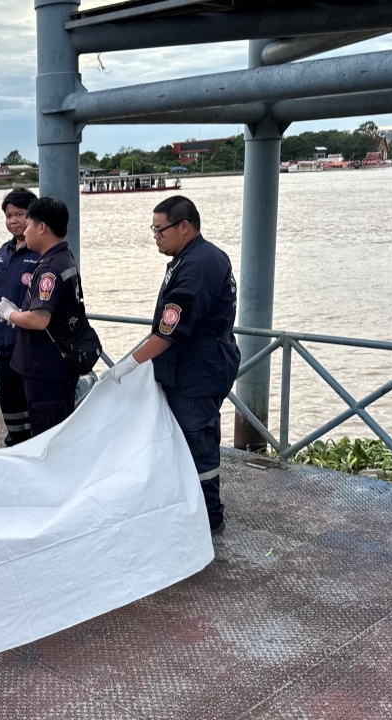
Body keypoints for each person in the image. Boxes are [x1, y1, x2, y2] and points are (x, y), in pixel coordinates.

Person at [103, 195, 240, 535]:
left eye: (159, 229)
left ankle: (209, 519)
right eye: (153, 229)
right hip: (189, 366)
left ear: (184, 226)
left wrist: (128, 365)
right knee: (182, 442)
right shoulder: (191, 259)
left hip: (197, 371)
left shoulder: (198, 265)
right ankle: (190, 510)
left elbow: (169, 330)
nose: (155, 236)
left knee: (198, 444)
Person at [0, 197, 85, 436]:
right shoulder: (65, 258)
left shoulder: (49, 268)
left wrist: (10, 313)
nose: (25, 229)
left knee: (48, 435)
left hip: (46, 366)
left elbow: (39, 319)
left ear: (42, 227)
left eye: (29, 224)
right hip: (55, 363)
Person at [0, 188, 41, 445]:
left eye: (19, 214)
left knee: (36, 406)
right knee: (10, 403)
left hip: (32, 345)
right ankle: (15, 441)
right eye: (8, 215)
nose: (13, 221)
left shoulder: (42, 254)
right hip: (5, 345)